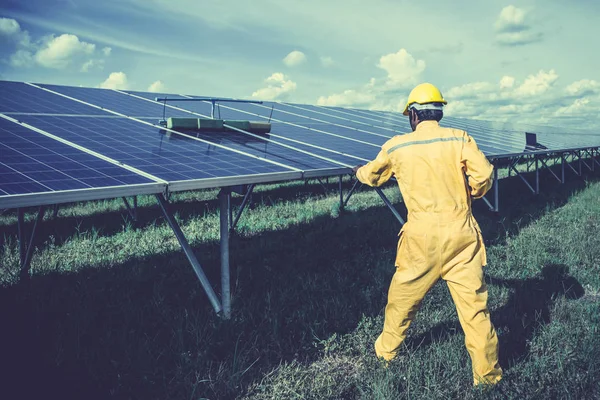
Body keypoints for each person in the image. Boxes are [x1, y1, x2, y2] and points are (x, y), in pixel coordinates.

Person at [354, 83, 502, 385]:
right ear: (439, 112)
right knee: (475, 309)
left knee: (402, 300)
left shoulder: (397, 146)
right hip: (462, 234)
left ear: (413, 115)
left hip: (421, 239)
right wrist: (473, 192)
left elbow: (372, 175)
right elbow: (485, 174)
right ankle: (487, 376)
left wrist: (358, 172)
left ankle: (386, 353)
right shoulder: (459, 138)